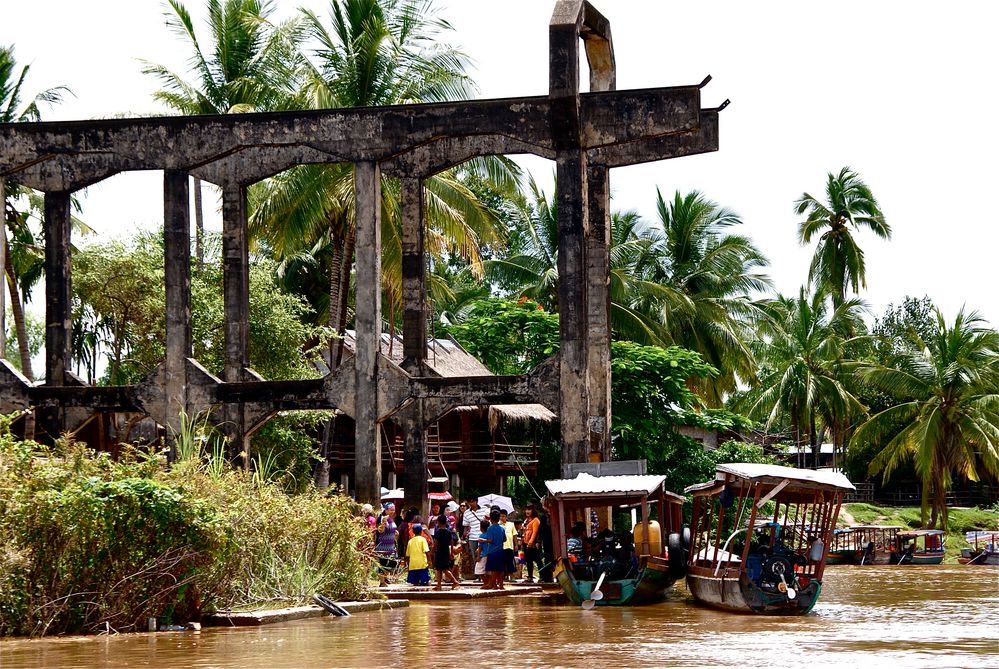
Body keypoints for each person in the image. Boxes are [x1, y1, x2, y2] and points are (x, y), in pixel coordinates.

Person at [479, 509, 507, 589]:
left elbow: (490, 540)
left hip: (492, 551)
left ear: (490, 519)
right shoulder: (502, 528)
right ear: (499, 519)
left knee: (493, 569)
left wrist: (484, 540)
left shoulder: (490, 529)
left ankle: (494, 585)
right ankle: (501, 585)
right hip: (501, 551)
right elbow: (505, 539)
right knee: (501, 569)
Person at [432, 513, 460, 590]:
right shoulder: (448, 532)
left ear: (438, 522)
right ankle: (439, 585)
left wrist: (432, 551)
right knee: (441, 569)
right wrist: (451, 553)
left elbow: (435, 544)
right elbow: (451, 542)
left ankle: (455, 581)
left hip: (439, 552)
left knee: (442, 569)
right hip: (446, 552)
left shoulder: (438, 532)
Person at [462, 498, 488, 579]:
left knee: (484, 555)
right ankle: (478, 575)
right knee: (475, 557)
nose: (471, 503)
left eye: (473, 501)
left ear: (476, 502)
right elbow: (466, 527)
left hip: (483, 536)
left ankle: (485, 574)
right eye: (470, 501)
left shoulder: (484, 509)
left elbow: (488, 521)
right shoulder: (466, 513)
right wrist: (464, 536)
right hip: (472, 537)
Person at [374, 503, 398, 587]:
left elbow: (392, 528)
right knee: (383, 563)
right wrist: (384, 522)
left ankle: (385, 578)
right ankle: (382, 582)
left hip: (391, 545)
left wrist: (395, 532)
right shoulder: (382, 518)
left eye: (393, 510)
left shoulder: (391, 519)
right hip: (383, 545)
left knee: (391, 563)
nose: (393, 511)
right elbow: (380, 530)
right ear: (386, 510)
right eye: (391, 510)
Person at [522, 503, 542, 583]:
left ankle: (542, 576)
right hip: (526, 543)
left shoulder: (536, 520)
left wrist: (530, 542)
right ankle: (530, 577)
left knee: (538, 560)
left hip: (533, 544)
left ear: (533, 510)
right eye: (526, 509)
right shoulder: (526, 520)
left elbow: (535, 532)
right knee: (528, 561)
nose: (527, 511)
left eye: (529, 509)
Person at [500, 510, 517, 582]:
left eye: (503, 516)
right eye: (500, 516)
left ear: (506, 517)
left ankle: (512, 576)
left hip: (509, 546)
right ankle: (503, 577)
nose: (501, 518)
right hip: (500, 547)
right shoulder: (498, 525)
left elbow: (514, 535)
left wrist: (516, 544)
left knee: (510, 562)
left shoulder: (511, 524)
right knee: (502, 562)